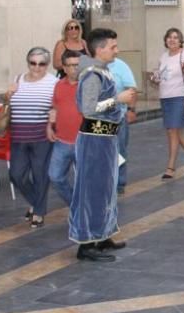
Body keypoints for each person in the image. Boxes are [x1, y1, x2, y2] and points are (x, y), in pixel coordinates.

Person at [70, 28, 136, 262]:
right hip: (94, 140)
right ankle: (87, 243)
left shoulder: (102, 72)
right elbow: (87, 109)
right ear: (100, 49)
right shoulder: (92, 75)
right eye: (113, 47)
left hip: (106, 139)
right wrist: (117, 99)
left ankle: (103, 234)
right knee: (93, 191)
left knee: (107, 188)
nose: (116, 50)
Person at [8, 47, 58, 229]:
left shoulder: (54, 83)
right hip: (19, 136)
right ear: (28, 62)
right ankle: (36, 203)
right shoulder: (17, 80)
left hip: (41, 136)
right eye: (33, 63)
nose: (37, 68)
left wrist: (52, 120)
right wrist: (8, 94)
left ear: (48, 65)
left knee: (40, 174)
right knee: (16, 174)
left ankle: (38, 212)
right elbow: (8, 106)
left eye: (42, 64)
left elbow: (57, 106)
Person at [151, 27, 184, 179]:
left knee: (173, 132)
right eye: (169, 37)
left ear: (180, 41)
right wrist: (155, 77)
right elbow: (161, 75)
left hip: (179, 97)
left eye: (175, 37)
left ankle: (170, 167)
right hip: (165, 97)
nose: (172, 40)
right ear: (165, 40)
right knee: (176, 132)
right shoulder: (163, 56)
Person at [47, 49, 83, 208]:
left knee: (86, 181)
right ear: (64, 67)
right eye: (71, 65)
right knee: (55, 176)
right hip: (62, 141)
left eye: (77, 65)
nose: (74, 68)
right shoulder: (58, 86)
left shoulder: (90, 84)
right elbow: (54, 108)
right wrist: (49, 127)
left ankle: (88, 213)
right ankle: (76, 205)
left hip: (85, 142)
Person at [107, 56, 137, 196]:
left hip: (118, 116)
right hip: (97, 119)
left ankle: (119, 182)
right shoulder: (90, 67)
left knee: (119, 150)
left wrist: (131, 109)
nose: (116, 51)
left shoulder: (121, 65)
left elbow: (131, 89)